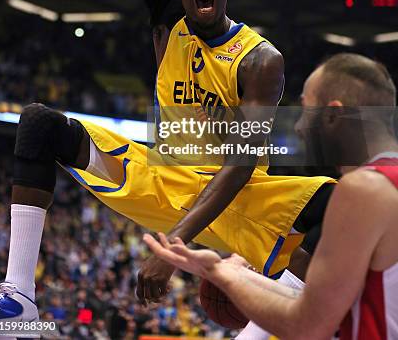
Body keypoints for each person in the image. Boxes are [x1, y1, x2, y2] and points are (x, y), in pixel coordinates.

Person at [0, 0, 334, 325]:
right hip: (160, 177)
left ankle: (272, 325)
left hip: (236, 196)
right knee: (39, 123)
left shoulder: (261, 59)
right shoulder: (166, 24)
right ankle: (18, 300)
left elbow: (240, 167)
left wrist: (171, 245)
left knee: (336, 203)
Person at [144, 53, 398, 339]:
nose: (300, 126)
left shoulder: (364, 189)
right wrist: (242, 277)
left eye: (305, 110)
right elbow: (321, 303)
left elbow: (307, 325)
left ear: (333, 114)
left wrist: (222, 274)